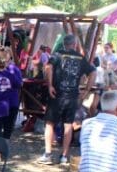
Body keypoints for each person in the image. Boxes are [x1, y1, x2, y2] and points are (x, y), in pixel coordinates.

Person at [38, 34, 96, 165]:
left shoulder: (57, 54)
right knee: (68, 125)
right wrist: (86, 90)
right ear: (75, 44)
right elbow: (93, 72)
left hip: (57, 94)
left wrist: (50, 85)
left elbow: (48, 67)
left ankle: (48, 154)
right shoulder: (81, 58)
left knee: (50, 123)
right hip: (72, 95)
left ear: (64, 44)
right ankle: (64, 156)